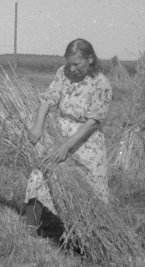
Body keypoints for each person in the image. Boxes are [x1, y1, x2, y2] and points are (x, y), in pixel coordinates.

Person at [24, 38, 113, 230]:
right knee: (40, 173)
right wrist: (38, 126)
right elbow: (47, 99)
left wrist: (66, 147)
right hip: (59, 134)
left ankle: (81, 232)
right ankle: (31, 227)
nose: (72, 69)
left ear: (90, 59)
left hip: (85, 141)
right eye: (69, 63)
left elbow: (92, 122)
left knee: (87, 187)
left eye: (77, 64)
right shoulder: (63, 73)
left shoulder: (101, 83)